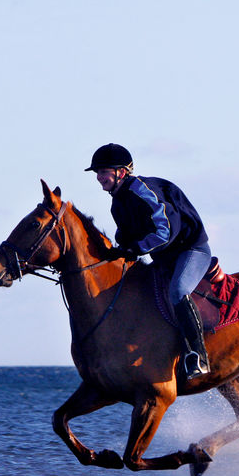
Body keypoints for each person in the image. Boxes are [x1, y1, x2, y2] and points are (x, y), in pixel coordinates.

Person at [85, 143, 212, 379]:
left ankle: (198, 356)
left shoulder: (142, 191)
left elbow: (165, 231)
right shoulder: (118, 201)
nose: (99, 178)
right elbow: (127, 236)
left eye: (103, 172)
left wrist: (135, 248)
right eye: (97, 173)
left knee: (179, 290)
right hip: (164, 258)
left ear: (121, 172)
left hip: (191, 250)